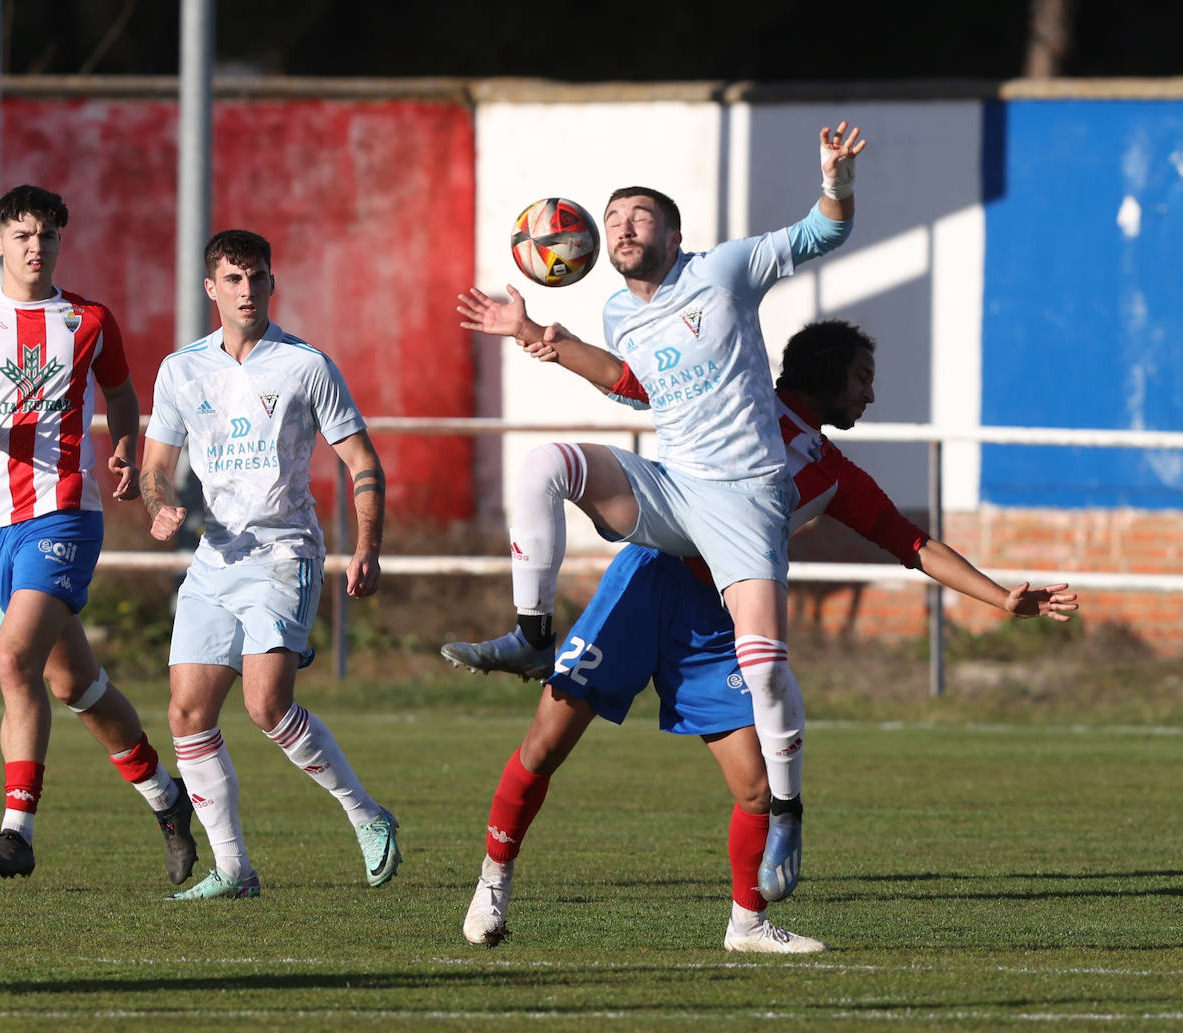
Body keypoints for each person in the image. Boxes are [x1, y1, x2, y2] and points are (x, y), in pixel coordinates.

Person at [457, 318, 1079, 951]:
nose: (869, 395)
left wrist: (1000, 595)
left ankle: (747, 924)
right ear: (827, 373)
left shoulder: (834, 473)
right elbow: (634, 381)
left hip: (723, 612)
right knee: (545, 743)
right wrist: (547, 339)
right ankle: (492, 885)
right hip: (648, 582)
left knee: (756, 784)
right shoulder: (736, 397)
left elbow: (909, 541)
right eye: (862, 378)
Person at [446, 122, 867, 901]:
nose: (622, 227)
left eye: (639, 215)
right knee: (548, 462)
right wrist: (534, 334)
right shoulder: (616, 311)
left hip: (744, 502)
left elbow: (824, 230)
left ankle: (789, 809)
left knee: (767, 672)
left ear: (673, 233)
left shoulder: (726, 270)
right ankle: (536, 635)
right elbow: (630, 382)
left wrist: (834, 177)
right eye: (611, 220)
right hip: (674, 489)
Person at [0, 184, 198, 882]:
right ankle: (167, 797)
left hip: (65, 513)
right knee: (73, 683)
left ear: (59, 243)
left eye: (49, 235)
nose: (37, 246)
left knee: (14, 658)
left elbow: (125, 392)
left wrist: (126, 449)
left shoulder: (89, 320)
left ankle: (17, 831)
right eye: (24, 234)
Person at [138, 228, 400, 900]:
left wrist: (367, 544)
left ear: (272, 284)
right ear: (211, 288)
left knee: (265, 703)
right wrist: (161, 505)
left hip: (286, 553)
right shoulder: (180, 369)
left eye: (256, 278)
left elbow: (362, 461)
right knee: (187, 712)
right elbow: (155, 468)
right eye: (233, 279)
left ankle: (367, 815)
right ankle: (233, 870)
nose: (246, 290)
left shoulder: (304, 364)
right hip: (215, 556)